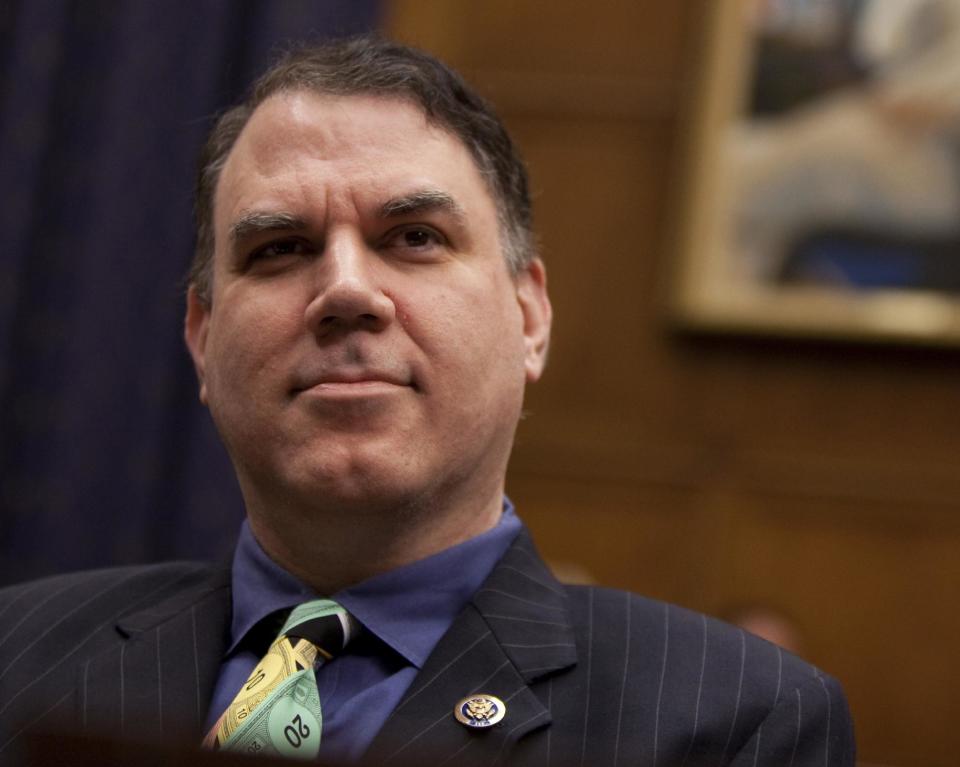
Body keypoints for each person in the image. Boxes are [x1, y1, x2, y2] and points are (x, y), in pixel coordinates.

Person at [0, 36, 855, 765]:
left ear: (529, 317)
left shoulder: (736, 721)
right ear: (200, 336)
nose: (344, 289)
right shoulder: (18, 655)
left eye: (414, 238)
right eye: (279, 247)